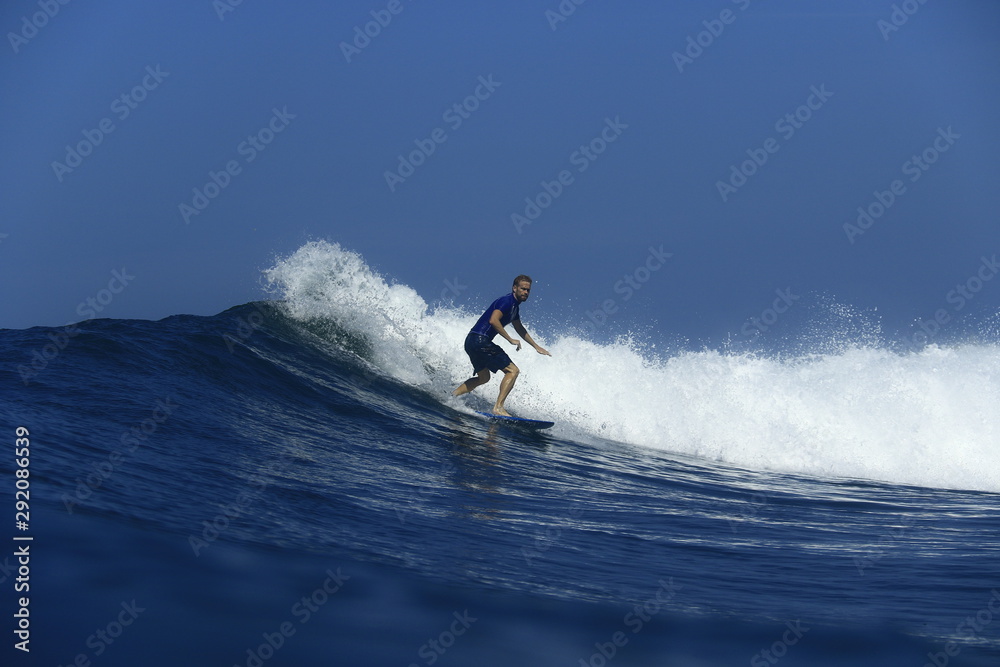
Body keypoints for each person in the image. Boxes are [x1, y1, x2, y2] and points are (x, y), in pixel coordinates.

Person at [452, 275, 550, 416]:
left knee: (483, 378)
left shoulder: (514, 308)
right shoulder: (507, 301)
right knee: (513, 371)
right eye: (523, 289)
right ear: (514, 288)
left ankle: (452, 396)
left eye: (528, 290)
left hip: (471, 341)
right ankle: (498, 408)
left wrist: (536, 346)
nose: (526, 292)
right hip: (480, 340)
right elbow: (493, 320)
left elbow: (520, 328)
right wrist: (510, 339)